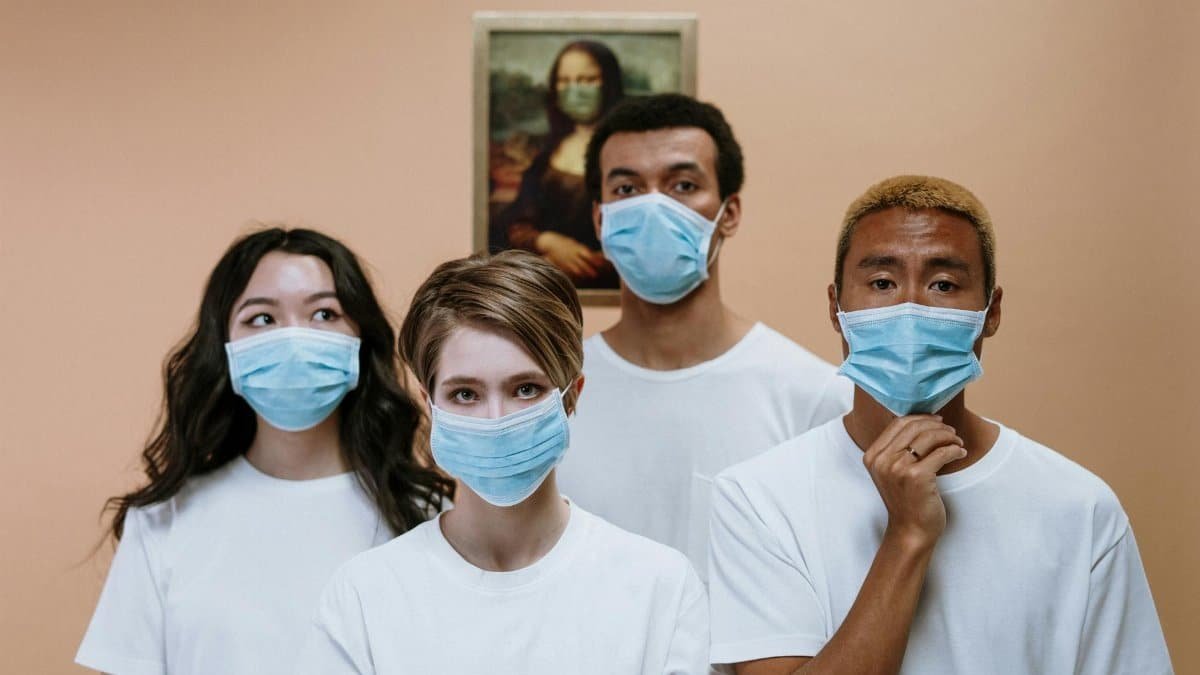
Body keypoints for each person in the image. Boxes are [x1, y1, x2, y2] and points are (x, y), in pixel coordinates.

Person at [707, 175, 1173, 674]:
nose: (911, 309)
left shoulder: (1081, 509)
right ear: (836, 309)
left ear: (990, 312)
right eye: (882, 283)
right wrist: (907, 536)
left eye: (943, 285)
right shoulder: (759, 499)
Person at [298, 251, 708, 674]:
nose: (497, 420)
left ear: (572, 395)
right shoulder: (365, 597)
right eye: (465, 394)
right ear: (430, 403)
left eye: (526, 389)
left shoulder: (659, 588)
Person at [76, 228, 452, 675]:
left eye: (324, 313)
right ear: (225, 347)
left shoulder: (425, 515)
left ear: (361, 340)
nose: (294, 339)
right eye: (262, 319)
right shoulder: (164, 519)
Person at [555, 94, 852, 577]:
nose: (654, 206)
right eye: (627, 188)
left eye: (683, 185)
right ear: (599, 219)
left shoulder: (815, 398)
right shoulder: (550, 397)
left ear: (729, 213)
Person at [490, 40, 624, 288]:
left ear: (609, 84)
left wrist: (581, 262)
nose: (575, 89)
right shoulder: (545, 154)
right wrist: (547, 242)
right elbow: (516, 223)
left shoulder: (630, 153)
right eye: (565, 81)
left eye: (586, 80)